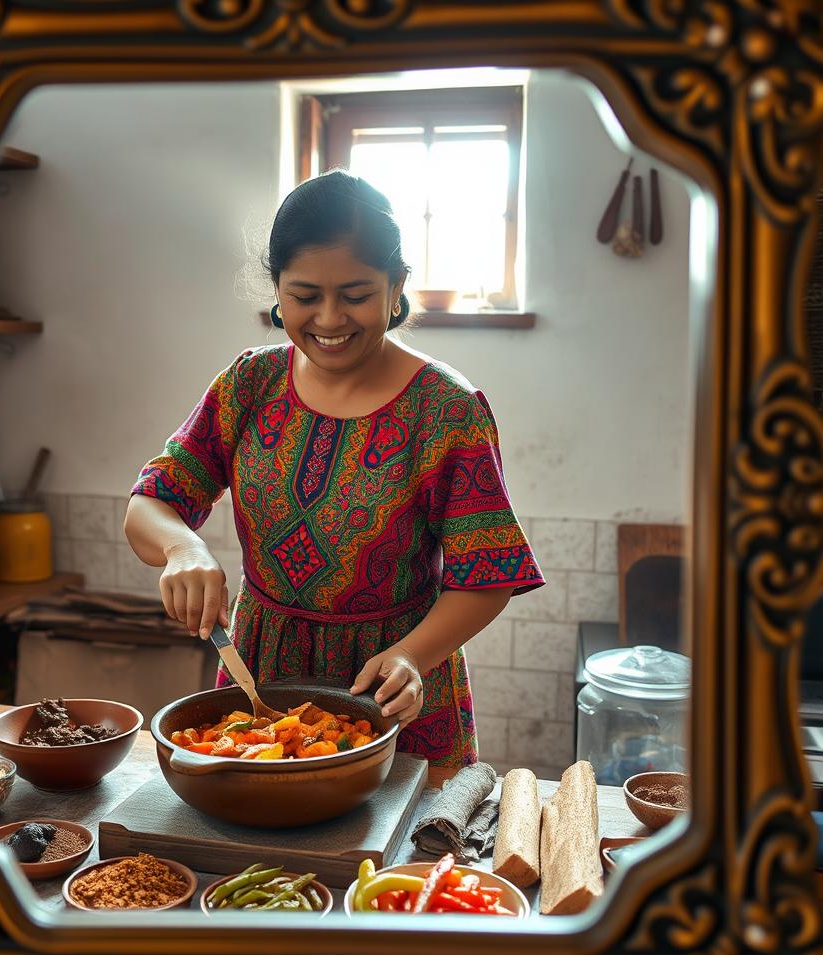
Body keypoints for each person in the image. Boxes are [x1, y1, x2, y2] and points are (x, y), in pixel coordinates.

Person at [125, 170, 544, 768]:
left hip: (393, 687)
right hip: (259, 684)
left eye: (355, 295)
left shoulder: (447, 409)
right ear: (276, 289)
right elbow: (151, 502)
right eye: (304, 296)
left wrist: (412, 656)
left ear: (396, 285)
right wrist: (181, 549)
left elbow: (489, 574)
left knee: (408, 856)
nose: (328, 320)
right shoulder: (249, 384)